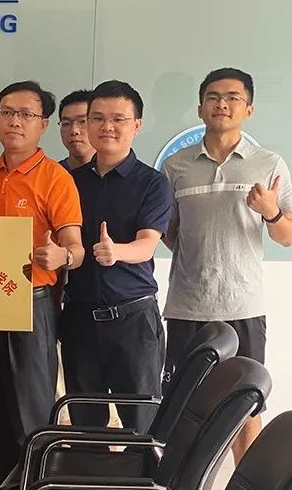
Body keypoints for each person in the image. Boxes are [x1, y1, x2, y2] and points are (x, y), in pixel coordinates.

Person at [163, 67, 292, 463]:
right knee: (183, 410)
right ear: (200, 108)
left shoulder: (268, 163)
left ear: (249, 110)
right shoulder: (175, 166)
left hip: (243, 307)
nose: (222, 104)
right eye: (214, 97)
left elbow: (287, 235)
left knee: (246, 409)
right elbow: (168, 231)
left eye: (233, 97)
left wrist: (270, 212)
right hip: (187, 307)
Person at [0, 81, 84, 490]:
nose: (14, 122)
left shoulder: (55, 177)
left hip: (31, 305)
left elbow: (76, 249)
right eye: (6, 112)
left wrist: (62, 256)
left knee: (30, 421)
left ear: (43, 125)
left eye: (25, 115)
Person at [60, 79, 172, 433]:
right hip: (78, 321)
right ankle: (90, 472)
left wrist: (116, 252)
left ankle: (143, 474)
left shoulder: (153, 183)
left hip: (132, 322)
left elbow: (147, 244)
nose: (106, 127)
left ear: (136, 125)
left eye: (118, 119)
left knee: (142, 426)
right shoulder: (67, 180)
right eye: (97, 118)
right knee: (84, 426)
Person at [57, 89, 95, 171]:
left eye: (83, 121)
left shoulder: (114, 173)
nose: (74, 131)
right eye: (66, 123)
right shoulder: (52, 174)